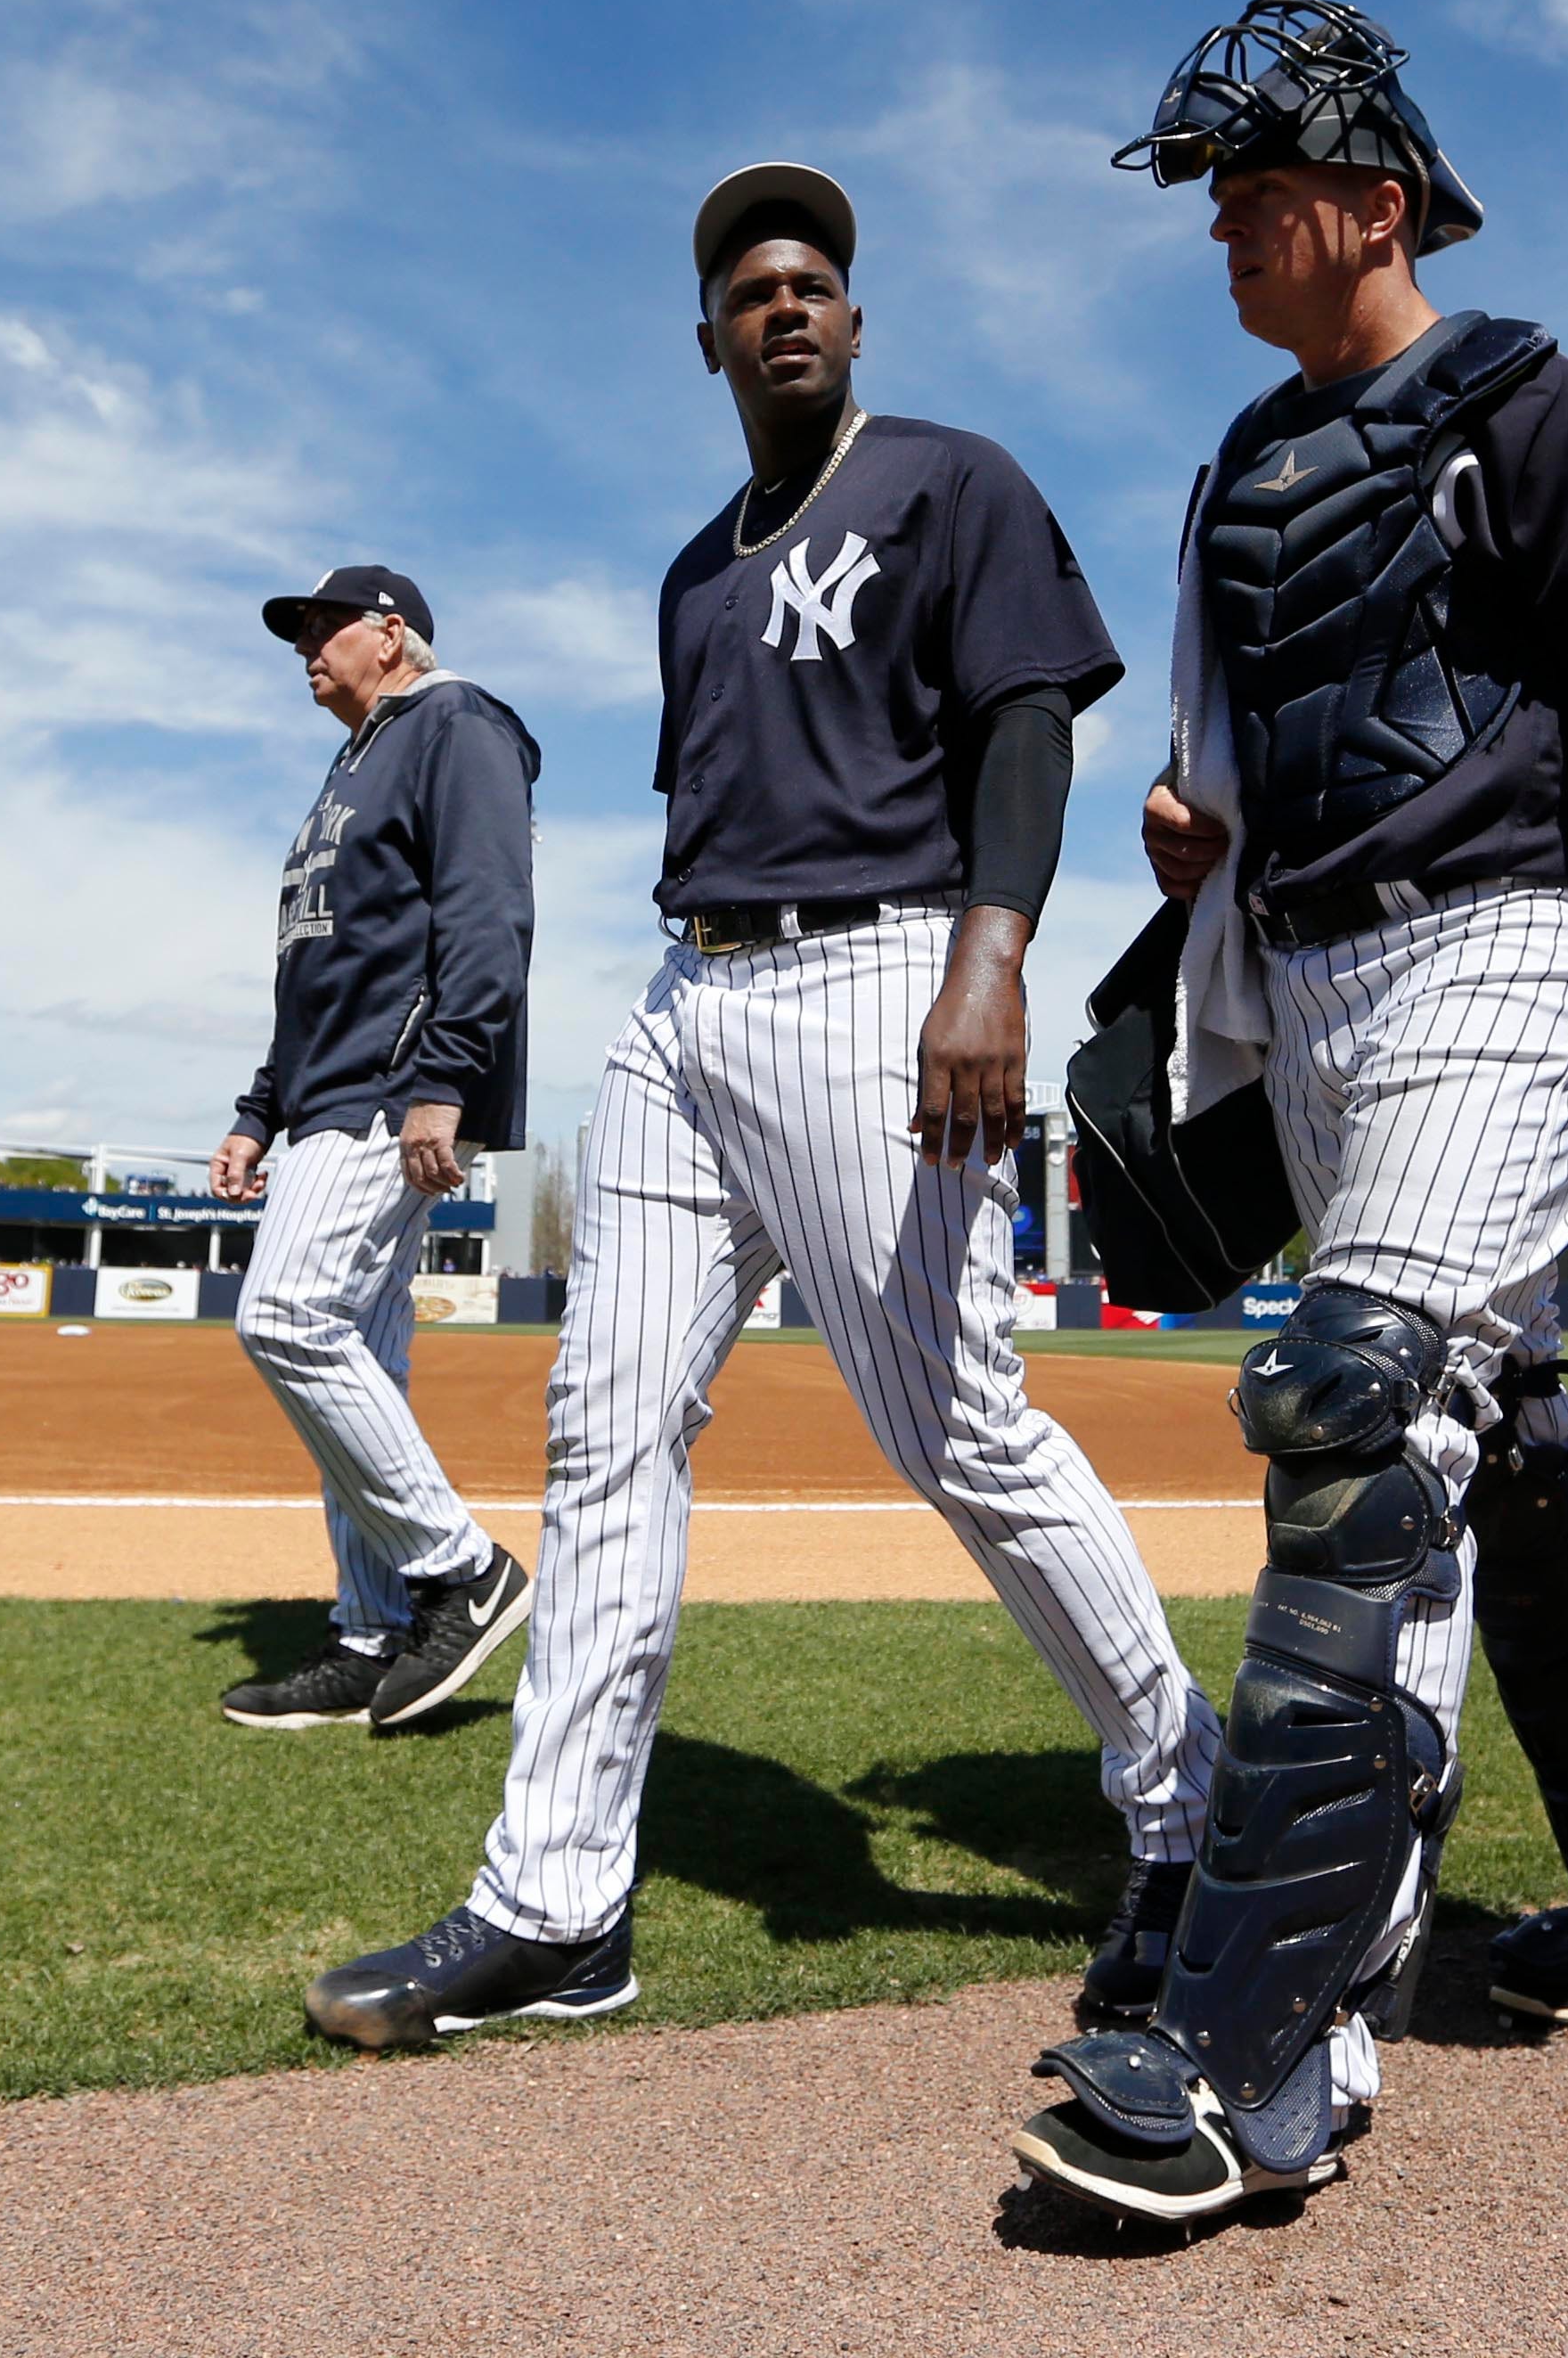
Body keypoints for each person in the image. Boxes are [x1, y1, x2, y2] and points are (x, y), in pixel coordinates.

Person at [1015, 0, 1568, 2223]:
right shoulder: (1231, 464)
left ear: (1372, 200)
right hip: (1295, 978)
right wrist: (1198, 861)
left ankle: (1267, 2029)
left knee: (1355, 1405)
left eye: (1253, 186)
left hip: (1496, 944)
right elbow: (1242, 756)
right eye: (1206, 194)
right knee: (1494, 1431)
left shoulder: (1540, 415)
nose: (1218, 224)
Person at [303, 160, 1217, 2049]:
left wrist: (994, 959)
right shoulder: (692, 570)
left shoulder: (949, 479)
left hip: (884, 978)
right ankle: (558, 1903)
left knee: (953, 1423)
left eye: (814, 280)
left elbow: (1029, 718)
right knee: (602, 1431)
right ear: (706, 336)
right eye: (751, 287)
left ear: (853, 320)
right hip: (687, 997)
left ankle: (1186, 1795)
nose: (785, 302)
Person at [205, 567, 545, 1732]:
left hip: (392, 1091)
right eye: (295, 630)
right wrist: (260, 1107)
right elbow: (319, 967)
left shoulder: (459, 724)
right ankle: (370, 1630)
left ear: (391, 632)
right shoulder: (351, 762)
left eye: (320, 624)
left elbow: (489, 908)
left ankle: (464, 1570)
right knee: (363, 1366)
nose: (304, 644)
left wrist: (444, 1078)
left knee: (286, 1318)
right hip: (325, 1096)